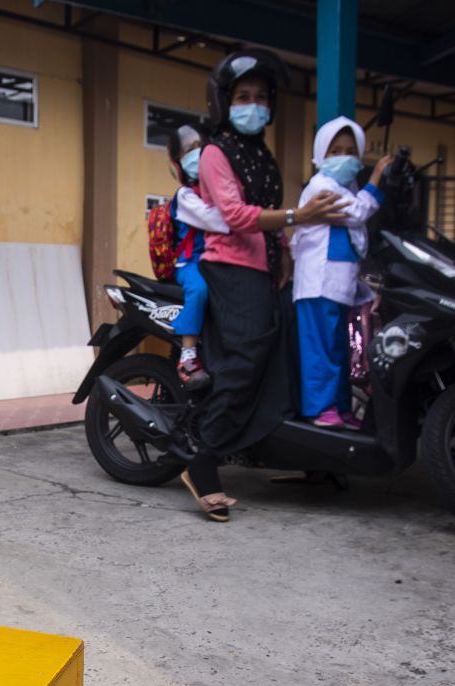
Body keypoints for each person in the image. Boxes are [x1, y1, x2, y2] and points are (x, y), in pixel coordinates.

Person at [178, 49, 349, 522]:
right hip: (230, 267)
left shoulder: (260, 154)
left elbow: (270, 223)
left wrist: (288, 247)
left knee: (284, 358)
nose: (253, 105)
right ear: (224, 102)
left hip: (266, 269)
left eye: (260, 97)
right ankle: (203, 462)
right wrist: (299, 215)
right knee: (245, 362)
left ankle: (297, 455)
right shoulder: (215, 152)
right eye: (242, 96)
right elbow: (234, 217)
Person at [290, 117, 392, 430]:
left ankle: (341, 408)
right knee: (320, 350)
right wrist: (377, 176)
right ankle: (321, 408)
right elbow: (359, 211)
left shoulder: (346, 188)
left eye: (350, 151)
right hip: (317, 284)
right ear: (321, 153)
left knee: (338, 350)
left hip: (338, 285)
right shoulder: (322, 187)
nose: (343, 157)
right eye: (334, 151)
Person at [166, 123, 231, 391]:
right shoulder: (185, 195)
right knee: (200, 290)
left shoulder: (214, 191)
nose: (198, 154)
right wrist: (242, 215)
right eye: (189, 151)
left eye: (200, 147)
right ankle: (188, 356)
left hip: (215, 261)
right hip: (190, 263)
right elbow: (217, 220)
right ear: (179, 163)